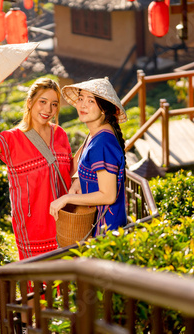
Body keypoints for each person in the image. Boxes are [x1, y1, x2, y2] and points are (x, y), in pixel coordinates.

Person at [0, 77, 73, 261]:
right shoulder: (12, 139)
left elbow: (69, 173)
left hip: (64, 223)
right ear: (30, 102)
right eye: (43, 102)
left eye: (54, 104)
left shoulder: (60, 134)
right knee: (37, 283)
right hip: (33, 228)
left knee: (64, 282)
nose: (48, 110)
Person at [49, 77, 128, 236]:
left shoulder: (103, 142)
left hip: (106, 234)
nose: (83, 105)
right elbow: (90, 169)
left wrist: (67, 198)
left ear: (104, 108)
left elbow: (109, 195)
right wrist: (78, 182)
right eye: (80, 98)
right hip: (96, 226)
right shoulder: (94, 135)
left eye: (91, 101)